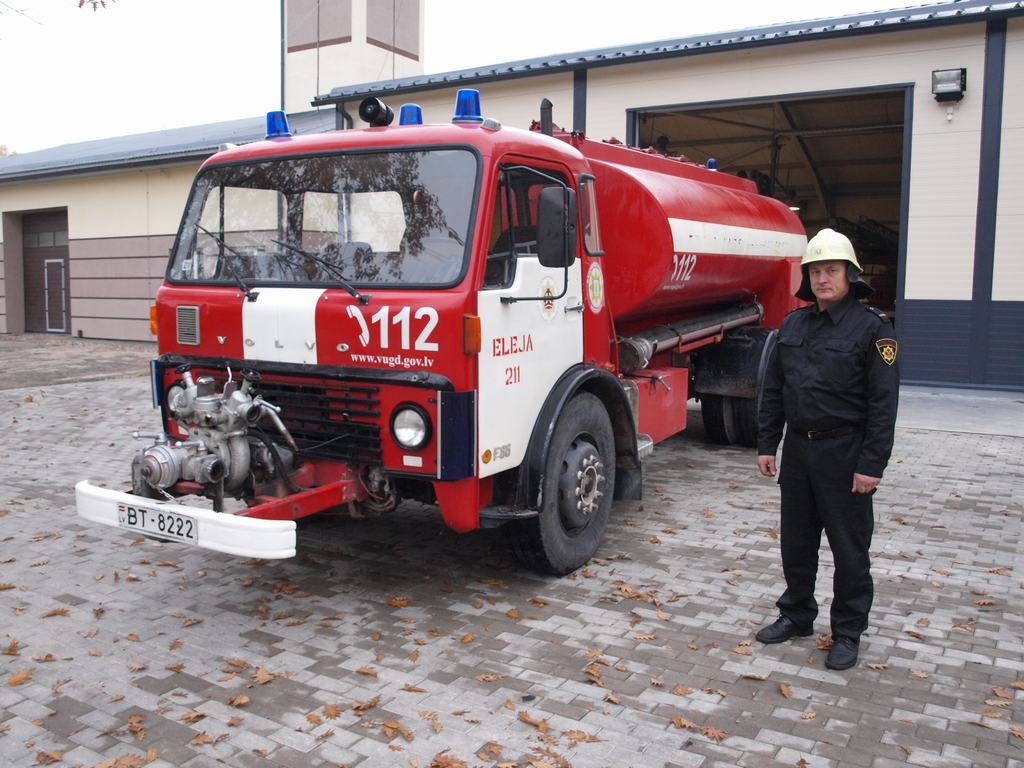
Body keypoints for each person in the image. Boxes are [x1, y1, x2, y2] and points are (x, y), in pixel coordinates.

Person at [755, 228, 899, 671]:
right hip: (799, 453)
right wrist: (767, 443)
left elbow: (883, 404)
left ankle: (848, 632)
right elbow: (774, 390)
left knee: (849, 549)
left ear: (849, 274)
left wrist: (871, 464)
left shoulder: (875, 330)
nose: (822, 279)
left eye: (831, 270)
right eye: (815, 271)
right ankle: (797, 615)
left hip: (846, 455)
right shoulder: (793, 325)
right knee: (796, 544)